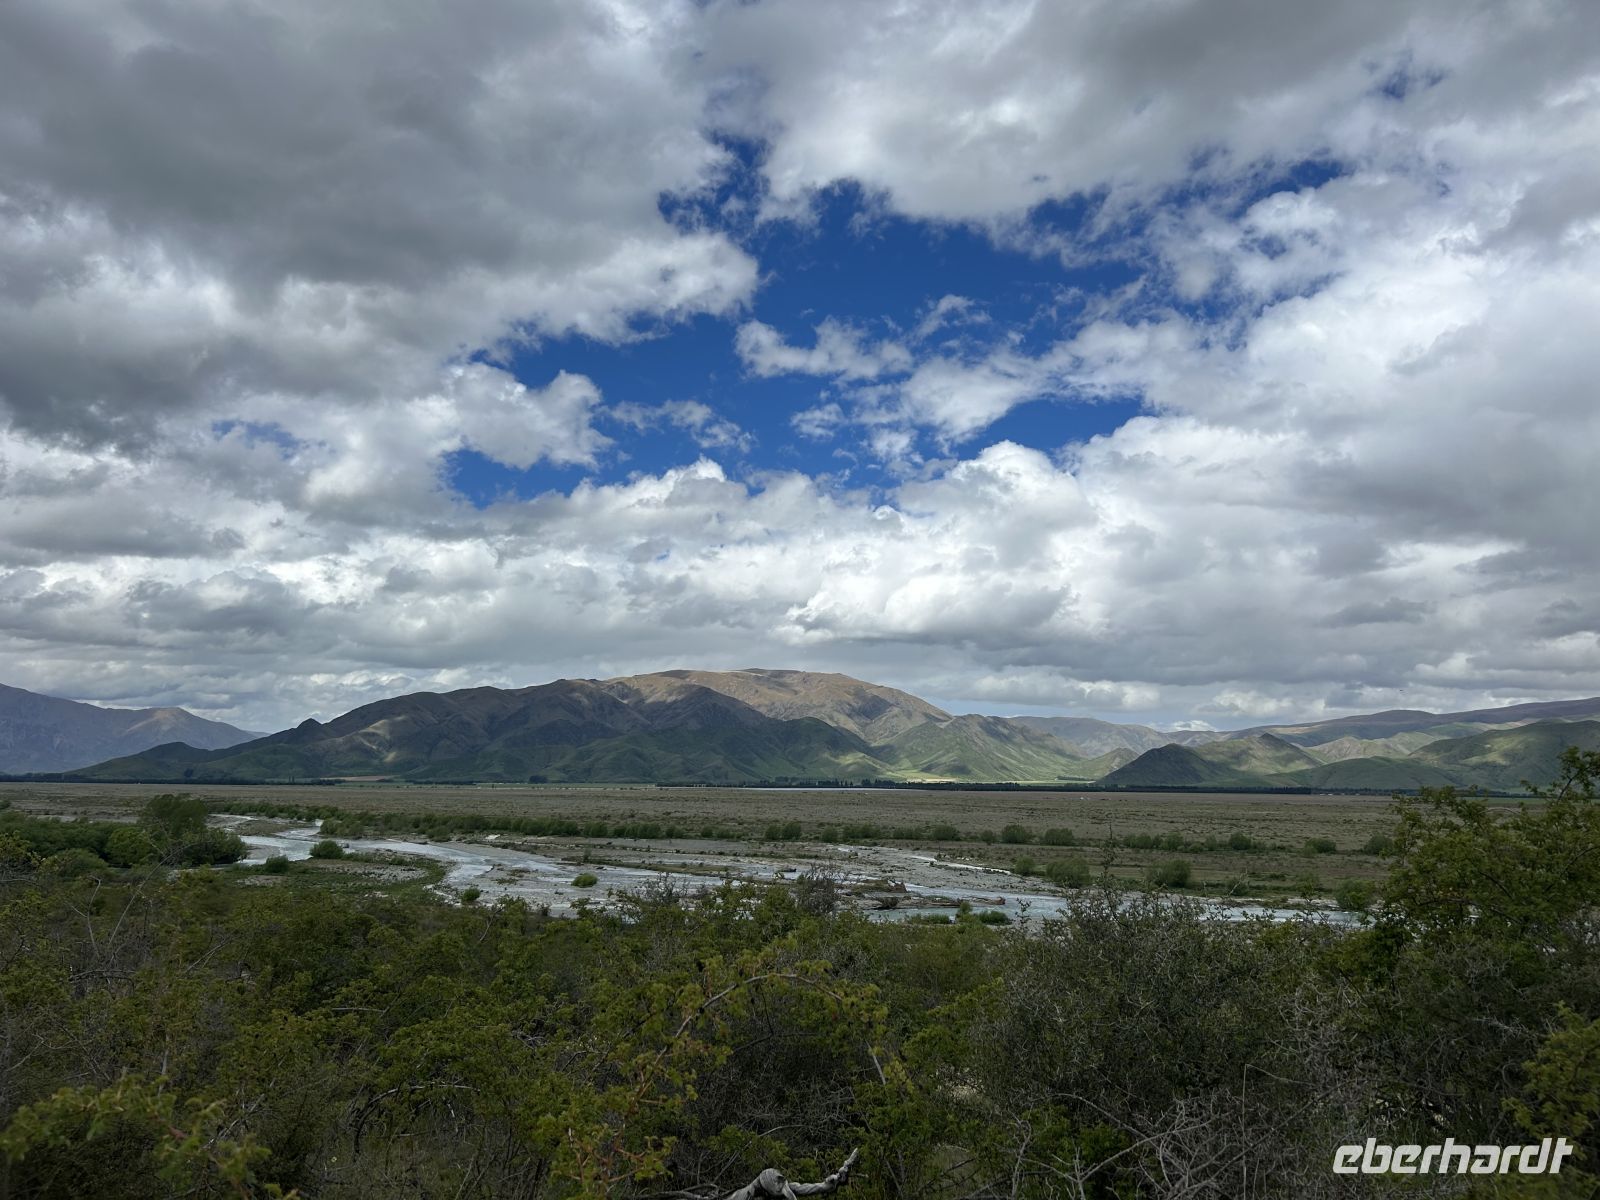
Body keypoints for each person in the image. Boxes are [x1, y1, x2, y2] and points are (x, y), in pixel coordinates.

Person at [723, 1150, 857, 1200]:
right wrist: (825, 1186)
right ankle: (829, 1184)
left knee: (791, 1190)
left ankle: (831, 1183)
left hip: (768, 1179)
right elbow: (804, 1189)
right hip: (768, 1182)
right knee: (797, 1188)